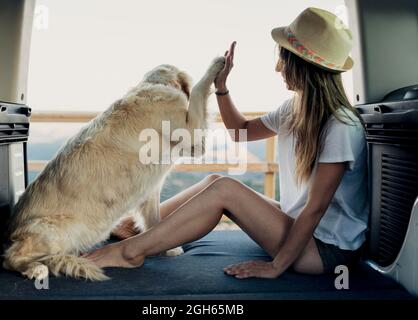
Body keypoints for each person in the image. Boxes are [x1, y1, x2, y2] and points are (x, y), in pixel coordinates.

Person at [85, 7, 369, 278]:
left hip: (324, 252)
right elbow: (241, 131)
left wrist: (277, 267)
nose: (277, 68)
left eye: (283, 59)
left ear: (303, 66)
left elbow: (315, 209)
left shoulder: (340, 125)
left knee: (225, 189)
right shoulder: (295, 109)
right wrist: (221, 87)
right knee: (214, 180)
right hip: (302, 231)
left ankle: (128, 252)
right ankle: (130, 229)